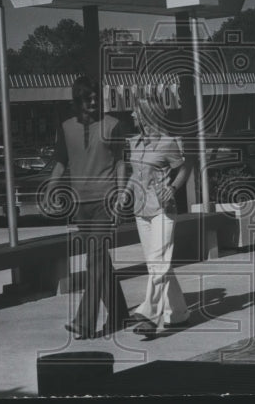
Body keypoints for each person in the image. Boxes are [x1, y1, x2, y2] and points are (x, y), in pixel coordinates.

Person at [49, 75, 130, 339]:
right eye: (88, 98)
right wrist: (51, 186)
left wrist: (119, 195)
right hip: (80, 203)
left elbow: (120, 161)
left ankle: (84, 321)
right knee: (101, 261)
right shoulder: (65, 127)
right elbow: (61, 161)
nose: (94, 102)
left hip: (105, 200)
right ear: (78, 100)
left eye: (97, 97)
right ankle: (119, 314)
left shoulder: (113, 125)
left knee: (93, 261)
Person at [124, 94, 192, 338]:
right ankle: (180, 312)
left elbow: (184, 168)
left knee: (158, 263)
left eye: (135, 111)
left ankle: (150, 315)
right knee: (159, 264)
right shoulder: (134, 143)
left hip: (164, 210)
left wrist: (172, 188)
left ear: (147, 115)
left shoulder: (167, 143)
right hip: (141, 211)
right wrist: (126, 192)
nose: (132, 115)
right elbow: (135, 174)